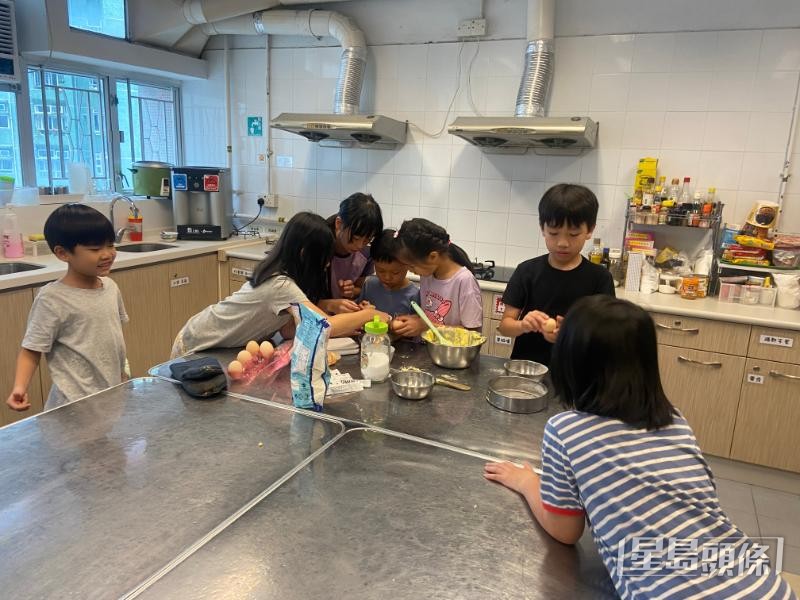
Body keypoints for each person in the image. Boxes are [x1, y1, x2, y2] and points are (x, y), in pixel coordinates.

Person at [484, 296, 796, 600]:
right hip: (765, 585)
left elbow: (565, 530)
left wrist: (526, 482)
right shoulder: (673, 419)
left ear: (569, 364)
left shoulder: (566, 430)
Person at [172, 212, 389, 357]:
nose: (326, 264)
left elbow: (288, 330)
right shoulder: (280, 284)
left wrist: (341, 316)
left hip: (218, 348)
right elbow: (324, 325)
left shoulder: (288, 279)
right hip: (197, 344)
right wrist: (368, 315)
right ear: (304, 254)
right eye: (324, 257)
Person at [6, 204, 128, 411]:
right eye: (95, 249)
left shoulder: (110, 287)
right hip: (73, 404)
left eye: (110, 245)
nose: (107, 254)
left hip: (110, 395)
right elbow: (32, 349)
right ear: (63, 253)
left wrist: (122, 373)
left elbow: (113, 337)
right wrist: (20, 387)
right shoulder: (52, 299)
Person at [498, 183, 614, 366]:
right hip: (527, 369)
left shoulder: (600, 278)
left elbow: (606, 335)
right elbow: (505, 327)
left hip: (576, 371)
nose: (562, 243)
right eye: (553, 233)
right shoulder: (526, 271)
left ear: (590, 231)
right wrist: (523, 325)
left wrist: (571, 334)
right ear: (542, 228)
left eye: (573, 234)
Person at [393, 218, 482, 336]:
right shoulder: (428, 274)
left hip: (453, 348)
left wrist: (426, 326)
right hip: (431, 346)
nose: (410, 271)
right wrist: (415, 321)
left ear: (433, 257)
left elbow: (473, 333)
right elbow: (431, 317)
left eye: (412, 266)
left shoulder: (464, 281)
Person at [319, 192, 384, 315]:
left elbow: (362, 288)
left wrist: (353, 291)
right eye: (355, 238)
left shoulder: (367, 252)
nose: (360, 246)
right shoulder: (318, 244)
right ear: (339, 224)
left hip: (342, 318)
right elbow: (296, 300)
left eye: (367, 240)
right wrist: (329, 305)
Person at [356, 229, 420, 336]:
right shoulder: (369, 284)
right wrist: (362, 309)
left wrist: (393, 324)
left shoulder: (414, 295)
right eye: (380, 271)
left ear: (408, 265)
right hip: (370, 340)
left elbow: (415, 330)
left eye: (395, 272)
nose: (387, 277)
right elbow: (358, 314)